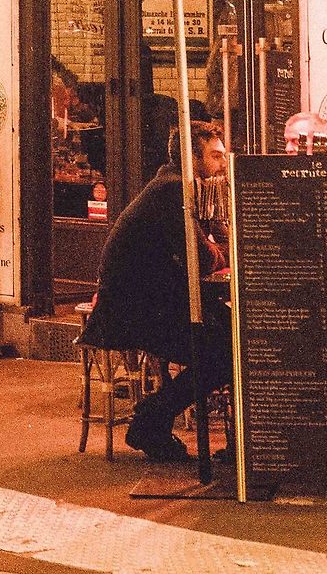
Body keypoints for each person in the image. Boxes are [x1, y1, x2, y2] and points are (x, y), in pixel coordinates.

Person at [82, 120, 231, 464]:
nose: (224, 164)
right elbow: (204, 259)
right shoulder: (173, 191)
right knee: (226, 352)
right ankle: (151, 420)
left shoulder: (179, 186)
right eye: (216, 156)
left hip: (151, 303)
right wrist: (218, 234)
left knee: (229, 340)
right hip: (133, 312)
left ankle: (154, 420)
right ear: (192, 156)